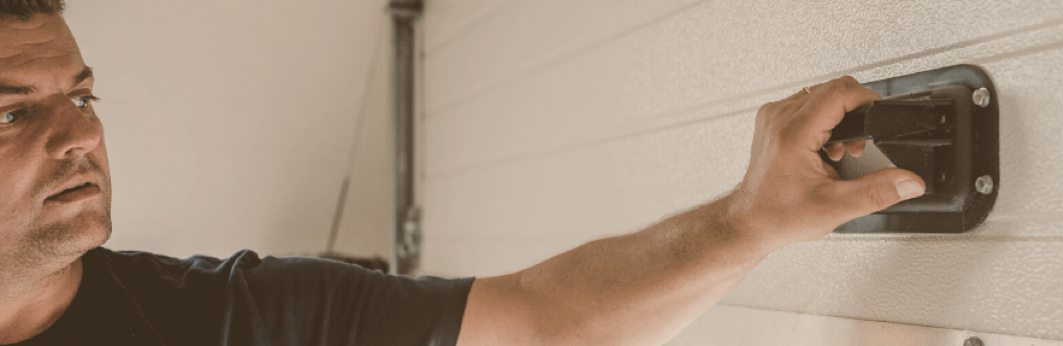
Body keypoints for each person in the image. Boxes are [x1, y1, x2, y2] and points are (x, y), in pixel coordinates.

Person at [0, 1, 926, 345]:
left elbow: (538, 319)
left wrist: (745, 221)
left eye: (84, 95)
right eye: (13, 110)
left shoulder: (231, 320)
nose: (80, 134)